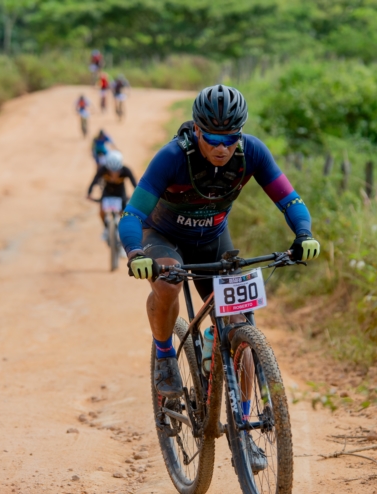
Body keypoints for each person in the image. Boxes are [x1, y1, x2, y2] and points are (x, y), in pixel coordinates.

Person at [118, 85, 320, 471]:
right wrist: (135, 254)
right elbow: (132, 215)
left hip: (212, 240)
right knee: (168, 284)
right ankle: (165, 355)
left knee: (240, 325)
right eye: (213, 138)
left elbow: (289, 199)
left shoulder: (252, 152)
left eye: (231, 138)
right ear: (196, 130)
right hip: (163, 238)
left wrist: (304, 234)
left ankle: (244, 426)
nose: (222, 147)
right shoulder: (172, 157)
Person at [87, 150, 137, 241]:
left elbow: (135, 184)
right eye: (111, 171)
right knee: (102, 211)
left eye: (117, 171)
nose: (114, 173)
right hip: (107, 193)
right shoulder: (103, 170)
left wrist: (136, 196)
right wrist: (89, 193)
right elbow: (94, 180)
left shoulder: (126, 170)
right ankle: (106, 228)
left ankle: (122, 231)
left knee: (123, 214)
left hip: (120, 193)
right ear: (107, 167)